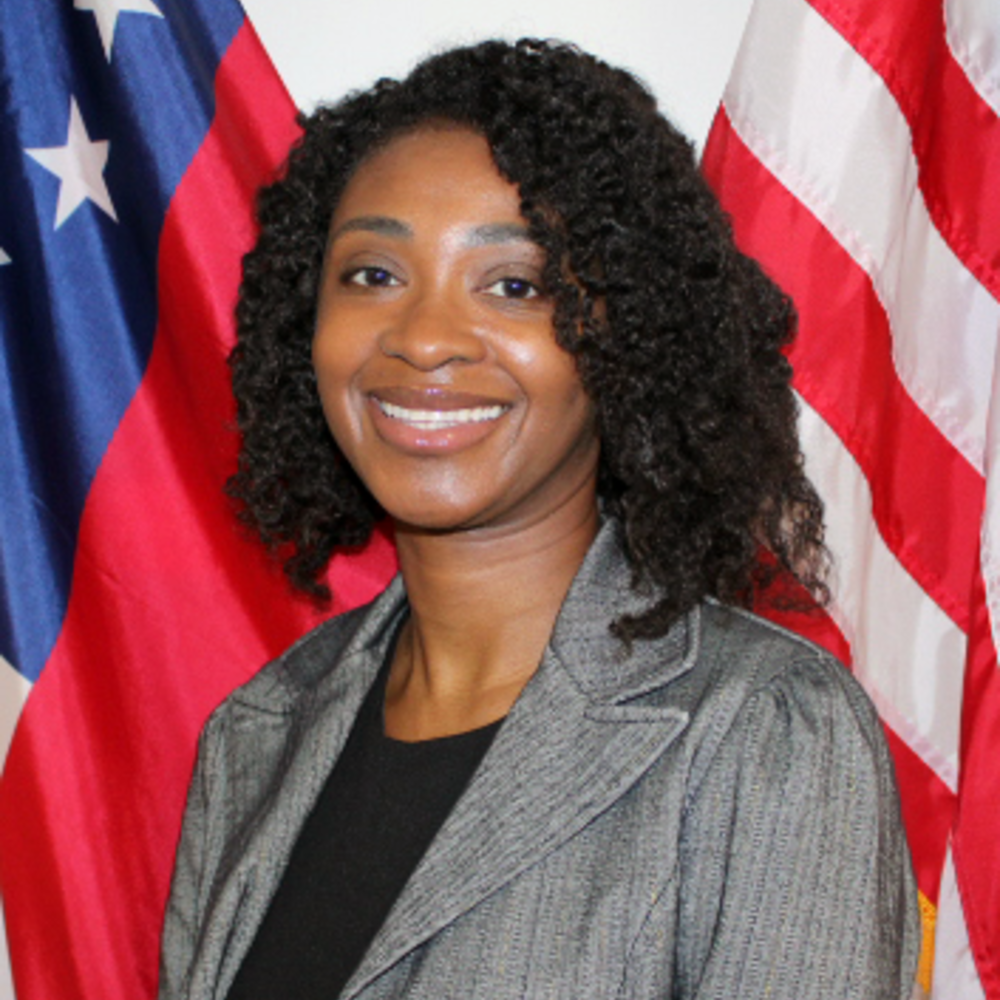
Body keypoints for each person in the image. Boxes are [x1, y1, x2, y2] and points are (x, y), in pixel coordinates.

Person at [158, 38, 920, 1000]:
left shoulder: (763, 734)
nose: (425, 337)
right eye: (372, 276)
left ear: (627, 338)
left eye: (514, 285)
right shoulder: (256, 737)